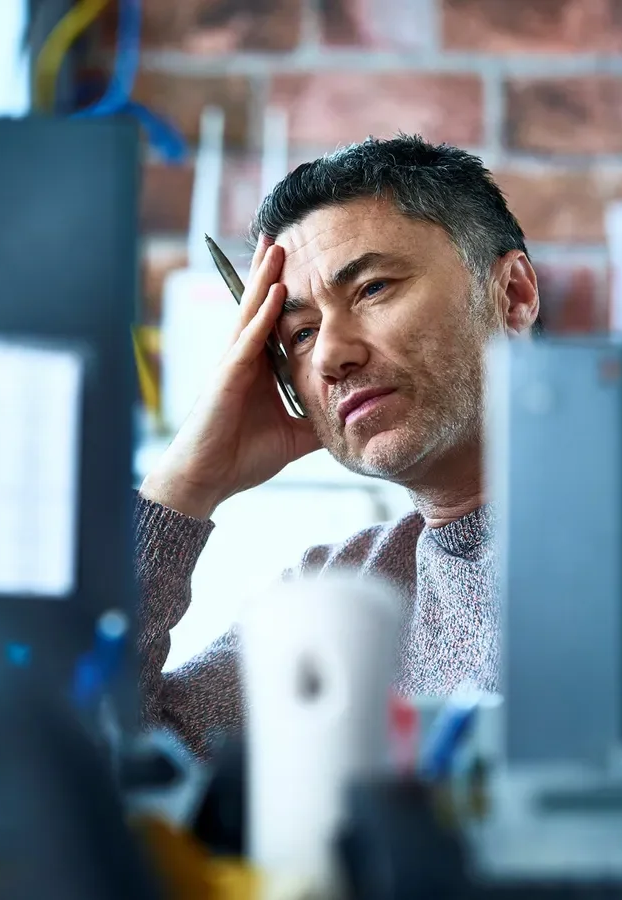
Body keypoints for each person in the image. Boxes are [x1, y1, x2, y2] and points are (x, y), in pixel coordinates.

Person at [136, 135, 541, 756]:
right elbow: (107, 762)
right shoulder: (337, 595)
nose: (329, 356)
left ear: (511, 295)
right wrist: (180, 491)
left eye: (372, 289)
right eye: (299, 334)